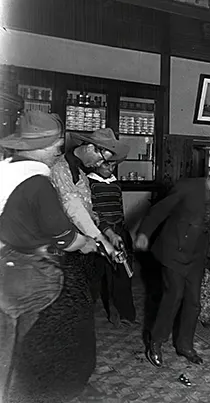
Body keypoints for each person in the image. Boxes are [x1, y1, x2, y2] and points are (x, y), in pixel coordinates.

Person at [0, 111, 99, 403]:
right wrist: (85, 244)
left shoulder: (6, 170)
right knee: (37, 341)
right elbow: (63, 235)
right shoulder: (38, 182)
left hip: (5, 264)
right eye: (55, 140)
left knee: (5, 344)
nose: (59, 145)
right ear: (43, 144)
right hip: (29, 272)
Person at [134, 158, 210, 368]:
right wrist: (143, 234)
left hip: (197, 256)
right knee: (173, 295)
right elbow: (159, 211)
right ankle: (156, 342)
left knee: (193, 303)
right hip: (173, 251)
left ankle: (185, 345)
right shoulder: (187, 187)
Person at [50, 128, 130, 260]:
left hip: (83, 243)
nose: (98, 164)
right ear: (90, 148)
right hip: (65, 245)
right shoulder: (61, 168)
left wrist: (108, 234)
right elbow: (75, 209)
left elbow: (88, 211)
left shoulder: (81, 174)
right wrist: (104, 243)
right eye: (100, 159)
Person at [88, 151, 137, 327]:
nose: (110, 168)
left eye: (113, 165)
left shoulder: (115, 184)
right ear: (95, 163)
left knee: (122, 273)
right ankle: (92, 317)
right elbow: (94, 213)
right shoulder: (89, 183)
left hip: (119, 232)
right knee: (98, 276)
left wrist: (122, 232)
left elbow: (119, 209)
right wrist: (106, 232)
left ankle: (125, 314)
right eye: (106, 164)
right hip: (99, 235)